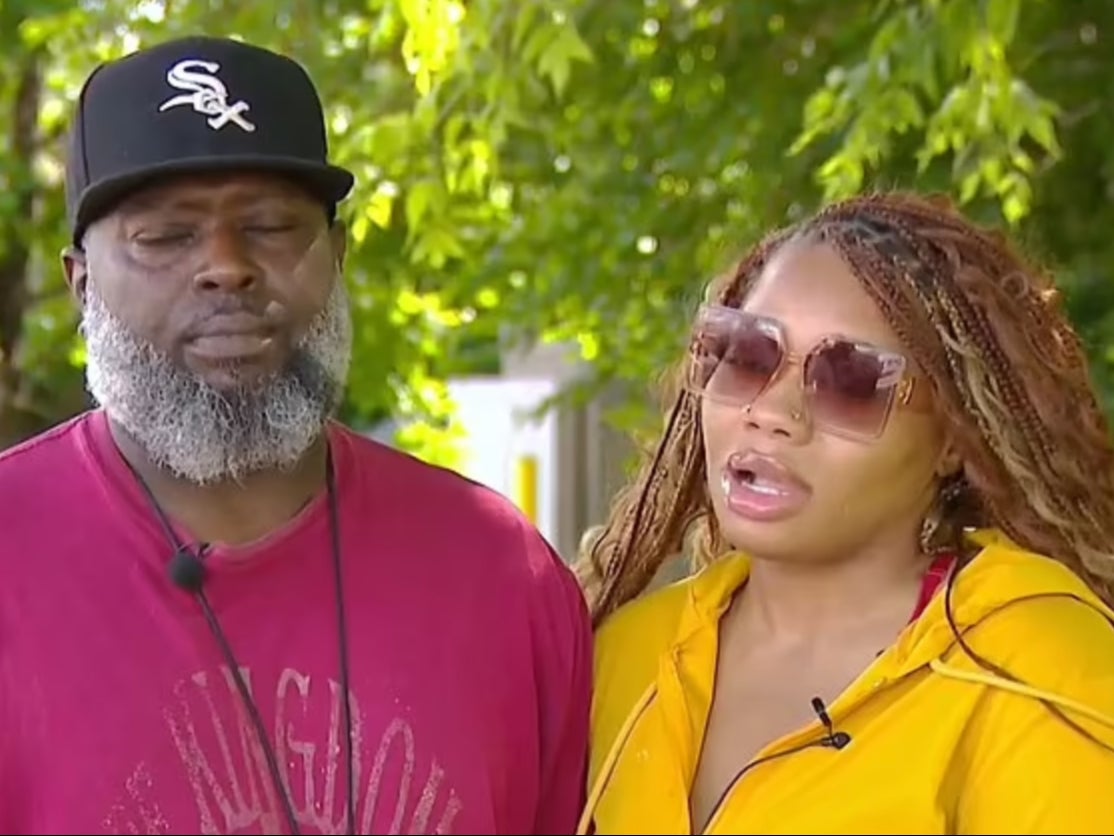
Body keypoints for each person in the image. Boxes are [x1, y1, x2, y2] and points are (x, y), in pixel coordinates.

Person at [0, 35, 592, 835]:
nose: (225, 267)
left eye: (273, 226)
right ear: (81, 282)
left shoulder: (503, 577)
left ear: (338, 256)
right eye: (166, 237)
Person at [574, 191, 1114, 834]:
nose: (772, 412)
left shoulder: (1035, 661)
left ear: (951, 441)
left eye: (850, 381)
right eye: (747, 355)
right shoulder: (623, 653)